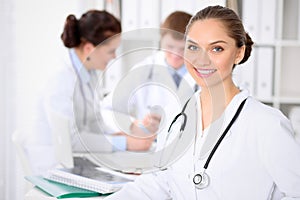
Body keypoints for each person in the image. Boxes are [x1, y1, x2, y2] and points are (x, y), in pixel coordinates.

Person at [105, 5, 300, 199]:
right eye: (193, 47)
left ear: (239, 53)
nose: (202, 60)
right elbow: (158, 182)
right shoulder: (175, 115)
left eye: (217, 49)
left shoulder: (268, 124)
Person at [27, 10, 155, 175]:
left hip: (79, 159)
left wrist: (119, 134)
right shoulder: (61, 79)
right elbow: (71, 140)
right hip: (54, 166)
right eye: (110, 51)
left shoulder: (89, 72)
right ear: (89, 48)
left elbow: (94, 121)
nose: (114, 56)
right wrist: (125, 143)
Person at [102, 11, 196, 149]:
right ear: (161, 39)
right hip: (150, 151)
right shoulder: (144, 70)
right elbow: (105, 110)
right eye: (170, 47)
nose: (176, 54)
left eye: (183, 49)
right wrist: (135, 126)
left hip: (189, 151)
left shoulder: (203, 73)